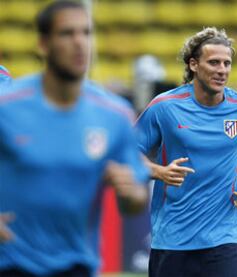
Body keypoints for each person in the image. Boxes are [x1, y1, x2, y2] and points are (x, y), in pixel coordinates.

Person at [0, 1, 149, 276]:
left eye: (86, 33)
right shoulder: (7, 107)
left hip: (77, 266)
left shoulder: (115, 115)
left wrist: (130, 192)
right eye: (67, 34)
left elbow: (136, 200)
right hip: (11, 265)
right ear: (44, 43)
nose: (79, 43)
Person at [135, 27, 237, 277]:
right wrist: (159, 172)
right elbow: (128, 153)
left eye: (227, 63)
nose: (222, 70)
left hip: (224, 237)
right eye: (214, 62)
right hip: (172, 236)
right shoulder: (164, 106)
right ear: (194, 64)